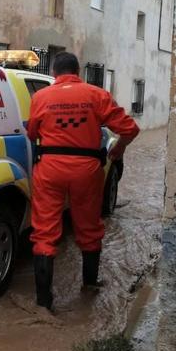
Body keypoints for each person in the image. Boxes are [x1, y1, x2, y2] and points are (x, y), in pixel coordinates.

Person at [26, 52, 140, 310]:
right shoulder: (97, 95)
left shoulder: (41, 97)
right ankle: (89, 285)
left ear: (54, 72)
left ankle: (44, 303)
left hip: (50, 169)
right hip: (86, 170)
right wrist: (119, 147)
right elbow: (130, 129)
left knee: (44, 232)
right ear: (78, 72)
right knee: (89, 228)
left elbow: (33, 133)